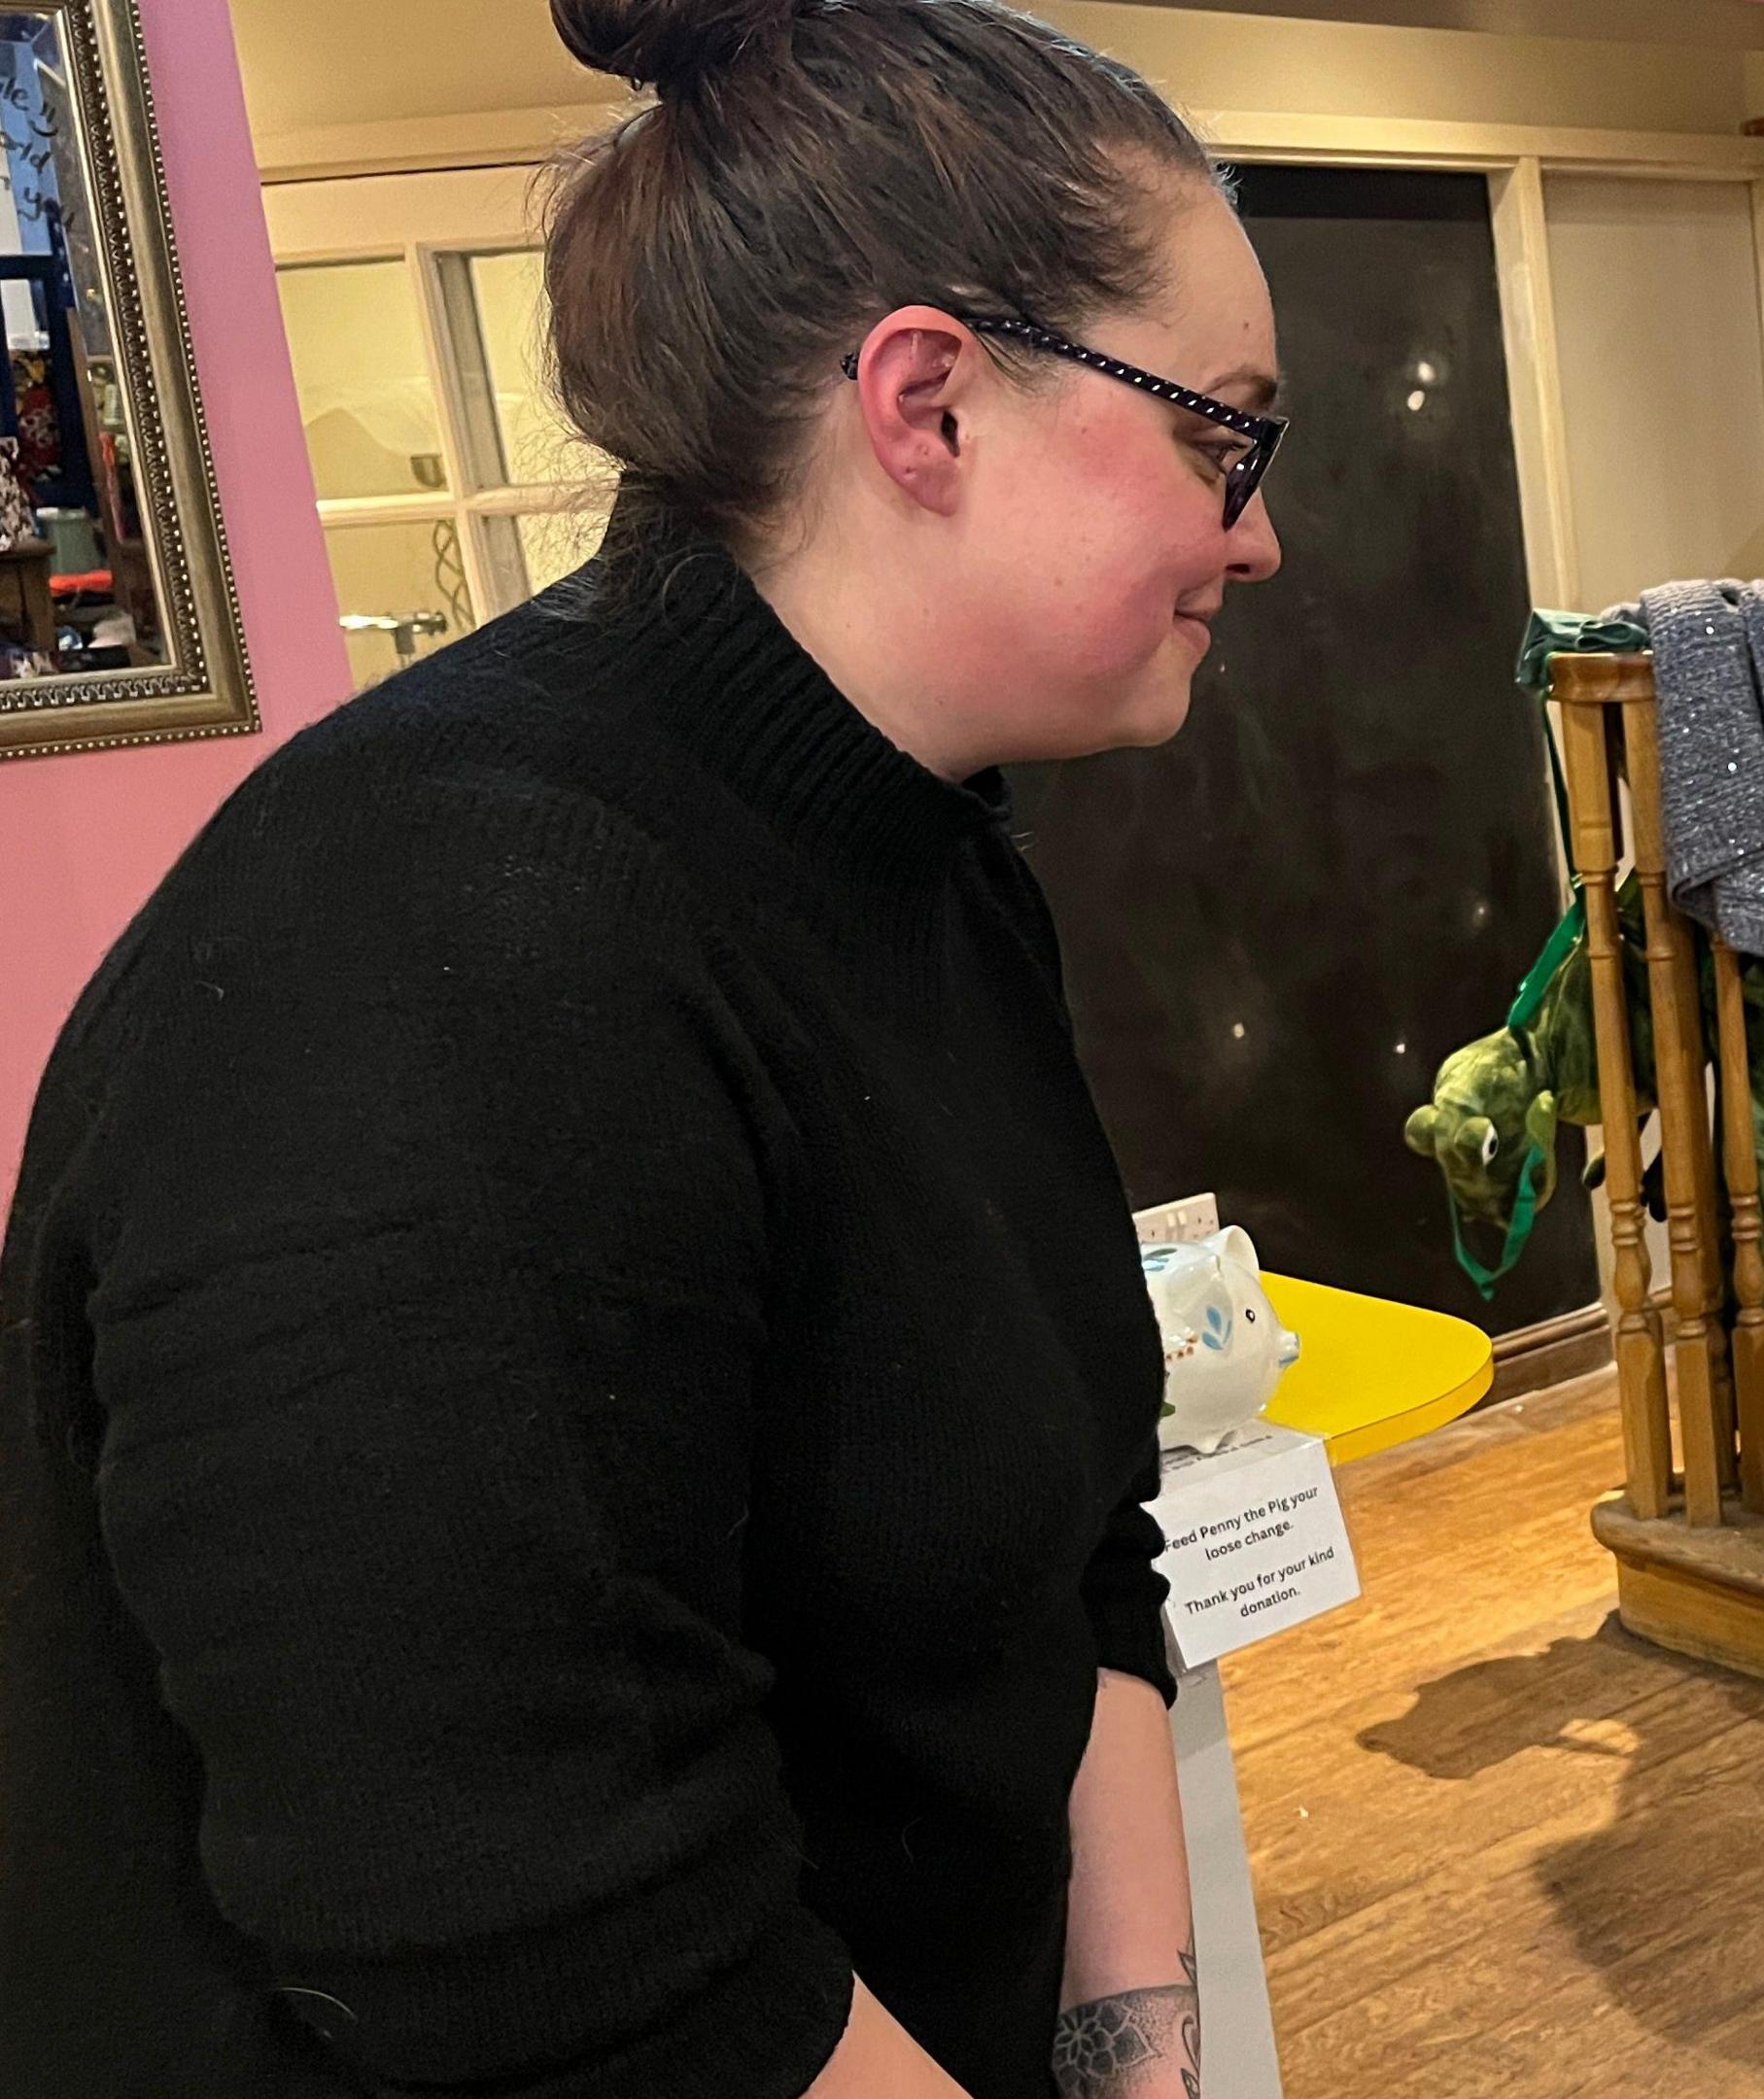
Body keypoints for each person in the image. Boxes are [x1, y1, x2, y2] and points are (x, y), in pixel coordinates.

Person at [0, 1, 1282, 2093]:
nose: (1258, 533)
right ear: (930, 403)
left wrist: (1135, 2061)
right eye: (1224, 434)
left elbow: (1082, 1561)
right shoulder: (442, 937)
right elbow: (553, 1956)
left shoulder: (932, 859)